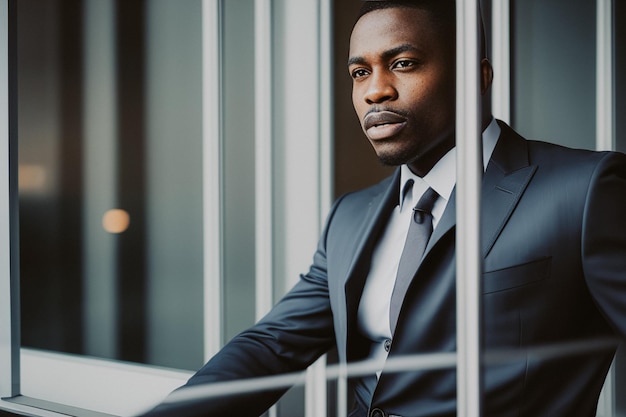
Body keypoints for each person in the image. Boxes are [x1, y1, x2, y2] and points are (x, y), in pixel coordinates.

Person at [139, 1, 626, 416]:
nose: (375, 90)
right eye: (359, 72)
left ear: (476, 76)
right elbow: (272, 346)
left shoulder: (584, 190)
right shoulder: (350, 217)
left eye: (404, 63)